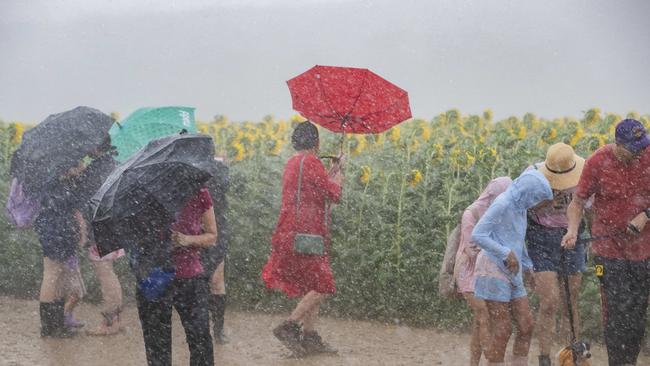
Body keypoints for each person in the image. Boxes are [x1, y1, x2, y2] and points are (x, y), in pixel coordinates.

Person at [562, 119, 650, 366]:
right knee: (616, 310)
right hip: (609, 250)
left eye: (643, 147)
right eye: (635, 149)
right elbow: (578, 203)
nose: (640, 153)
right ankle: (618, 362)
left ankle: (629, 361)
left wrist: (646, 215)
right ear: (618, 144)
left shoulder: (649, 155)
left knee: (637, 311)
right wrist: (572, 230)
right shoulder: (597, 162)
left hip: (645, 251)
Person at [262, 121, 344, 357]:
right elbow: (334, 194)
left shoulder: (293, 162)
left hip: (291, 230)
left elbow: (313, 188)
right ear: (316, 142)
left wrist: (331, 172)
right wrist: (340, 172)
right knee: (323, 285)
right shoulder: (311, 162)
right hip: (307, 231)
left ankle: (310, 338)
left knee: (312, 283)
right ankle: (289, 325)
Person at [472, 169, 553, 366]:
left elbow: (517, 238)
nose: (542, 209)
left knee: (526, 325)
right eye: (541, 203)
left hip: (513, 271)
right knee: (503, 328)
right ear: (530, 194)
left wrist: (528, 266)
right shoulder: (503, 203)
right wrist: (504, 253)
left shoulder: (521, 207)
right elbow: (478, 234)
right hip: (493, 268)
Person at [135, 186, 217, 366]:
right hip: (153, 278)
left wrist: (188, 239)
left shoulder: (198, 191)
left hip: (190, 278)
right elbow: (131, 236)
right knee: (157, 344)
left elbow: (212, 236)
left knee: (200, 339)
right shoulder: (140, 192)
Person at [525, 143, 587, 366]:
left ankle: (571, 355)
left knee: (570, 300)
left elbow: (589, 208)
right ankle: (544, 357)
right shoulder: (531, 175)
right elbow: (520, 206)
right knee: (549, 301)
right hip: (540, 236)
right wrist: (545, 201)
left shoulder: (585, 174)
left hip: (573, 234)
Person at [455, 177, 512, 366]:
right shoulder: (470, 214)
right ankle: (491, 357)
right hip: (469, 271)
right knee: (483, 315)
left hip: (487, 271)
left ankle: (475, 362)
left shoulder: (500, 212)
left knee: (479, 322)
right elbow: (472, 251)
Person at [75, 139, 127, 336]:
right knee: (110, 274)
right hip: (114, 227)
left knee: (106, 276)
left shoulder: (95, 170)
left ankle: (109, 324)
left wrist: (80, 174)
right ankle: (118, 321)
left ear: (95, 147)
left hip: (101, 231)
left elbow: (84, 201)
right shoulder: (114, 164)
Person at [35, 160, 88, 338]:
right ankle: (49, 327)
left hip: (58, 228)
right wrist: (73, 174)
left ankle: (56, 324)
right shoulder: (54, 178)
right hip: (56, 228)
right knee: (52, 274)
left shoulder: (57, 178)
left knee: (57, 276)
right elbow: (67, 203)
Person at [202, 158, 231, 344]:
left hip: (215, 229)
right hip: (197, 230)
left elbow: (224, 186)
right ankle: (204, 328)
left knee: (216, 280)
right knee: (203, 281)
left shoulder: (215, 168)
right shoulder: (193, 169)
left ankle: (217, 329)